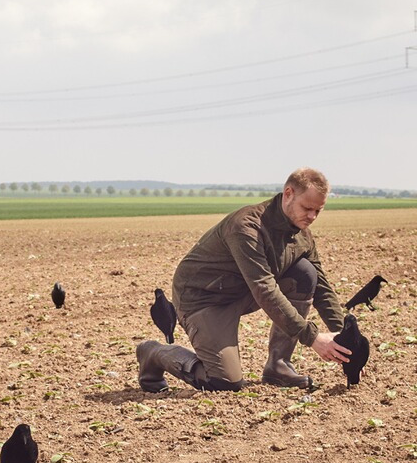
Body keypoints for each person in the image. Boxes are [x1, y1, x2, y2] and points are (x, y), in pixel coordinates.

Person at [137, 167, 351, 393]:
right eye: (307, 208)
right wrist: (313, 338)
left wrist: (345, 338)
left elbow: (321, 287)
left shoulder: (302, 234)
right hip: (204, 299)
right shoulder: (247, 226)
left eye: (318, 210)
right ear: (288, 194)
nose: (312, 217)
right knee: (224, 383)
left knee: (305, 273)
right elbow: (264, 289)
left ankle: (279, 366)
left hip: (242, 291)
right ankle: (153, 353)